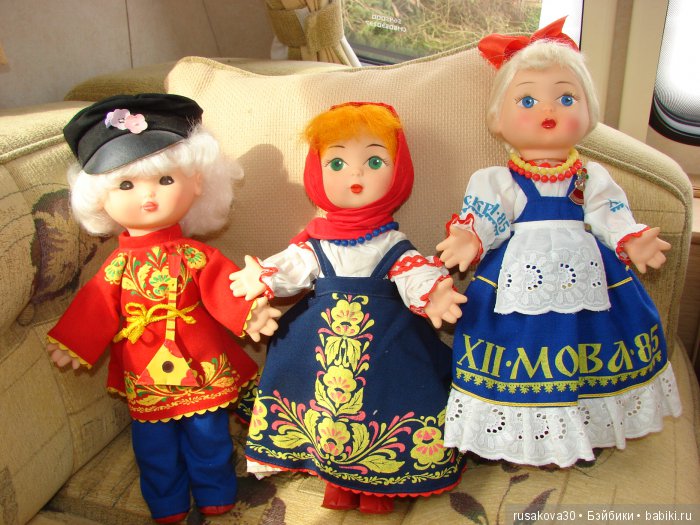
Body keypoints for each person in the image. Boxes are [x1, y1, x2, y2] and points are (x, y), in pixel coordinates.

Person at [437, 18, 682, 468]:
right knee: (520, 351)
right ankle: (514, 429)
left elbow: (610, 214)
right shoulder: (497, 180)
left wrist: (631, 239)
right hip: (516, 282)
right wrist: (469, 237)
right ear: (498, 119)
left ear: (588, 114)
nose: (547, 109)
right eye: (527, 100)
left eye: (567, 98)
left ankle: (586, 426)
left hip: (588, 278)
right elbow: (487, 217)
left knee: (587, 349)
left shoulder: (590, 177)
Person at [46, 94, 280, 524]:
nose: (148, 195)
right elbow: (95, 304)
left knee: (209, 436)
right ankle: (167, 504)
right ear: (99, 199)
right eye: (126, 185)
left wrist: (251, 312)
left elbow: (223, 289)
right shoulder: (117, 267)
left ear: (198, 183)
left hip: (201, 366)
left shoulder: (196, 256)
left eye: (165, 180)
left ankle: (215, 492)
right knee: (153, 445)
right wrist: (74, 340)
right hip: (145, 372)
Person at [230, 102, 466, 513]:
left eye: (374, 161)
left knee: (387, 400)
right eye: (336, 163)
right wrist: (263, 277)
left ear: (398, 173)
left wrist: (435, 294)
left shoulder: (392, 243)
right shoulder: (314, 241)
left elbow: (413, 273)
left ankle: (376, 486)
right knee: (323, 411)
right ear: (316, 173)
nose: (355, 175)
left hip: (385, 345)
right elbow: (292, 267)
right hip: (319, 343)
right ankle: (334, 479)